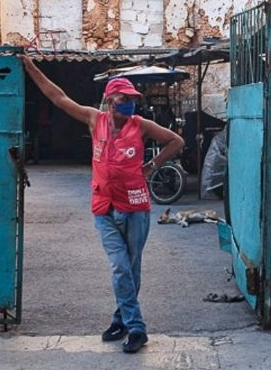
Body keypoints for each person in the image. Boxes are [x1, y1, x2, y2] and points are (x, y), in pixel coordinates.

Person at [20, 55, 184, 354]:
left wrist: (152, 165)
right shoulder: (96, 119)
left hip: (135, 207)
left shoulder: (140, 124)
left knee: (130, 268)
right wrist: (31, 67)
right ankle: (137, 328)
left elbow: (175, 141)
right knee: (121, 266)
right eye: (123, 99)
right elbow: (58, 97)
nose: (129, 103)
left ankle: (120, 319)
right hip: (104, 207)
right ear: (110, 101)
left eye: (131, 99)